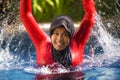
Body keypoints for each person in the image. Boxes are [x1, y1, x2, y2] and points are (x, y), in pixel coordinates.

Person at [20, 0, 97, 67]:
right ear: (51, 34)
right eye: (56, 33)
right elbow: (26, 15)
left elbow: (90, 15)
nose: (59, 39)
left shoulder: (77, 42)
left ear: (70, 36)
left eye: (65, 34)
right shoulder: (42, 43)